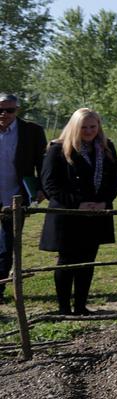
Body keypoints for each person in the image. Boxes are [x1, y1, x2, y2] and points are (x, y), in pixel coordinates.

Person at [39, 108, 117, 315]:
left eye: (93, 126)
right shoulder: (58, 149)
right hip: (68, 215)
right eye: (84, 127)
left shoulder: (106, 147)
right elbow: (50, 185)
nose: (89, 131)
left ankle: (81, 306)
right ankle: (64, 308)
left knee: (87, 260)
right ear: (75, 126)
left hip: (96, 214)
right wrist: (77, 205)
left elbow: (114, 181)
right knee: (67, 261)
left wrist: (104, 202)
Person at [0, 93, 46, 303]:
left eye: (9, 110)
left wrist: (42, 189)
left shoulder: (32, 131)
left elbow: (42, 163)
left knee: (6, 245)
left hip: (14, 198)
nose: (4, 114)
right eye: (0, 109)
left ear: (17, 110)